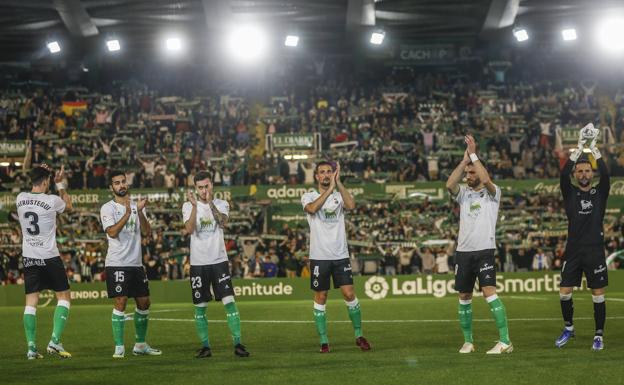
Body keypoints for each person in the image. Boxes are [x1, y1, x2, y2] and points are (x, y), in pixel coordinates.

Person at [446, 135, 512, 354]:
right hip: (463, 252)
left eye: (472, 172)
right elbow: (449, 184)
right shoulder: (463, 194)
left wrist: (474, 155)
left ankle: (505, 341)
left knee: (489, 292)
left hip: (484, 251)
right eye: (467, 173)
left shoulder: (493, 193)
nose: (468, 175)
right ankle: (468, 341)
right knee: (464, 296)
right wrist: (464, 161)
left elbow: (485, 179)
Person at [301, 161, 371, 353]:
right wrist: (329, 189)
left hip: (340, 255)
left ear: (334, 173)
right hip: (319, 256)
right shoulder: (309, 195)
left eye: (329, 172)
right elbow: (313, 209)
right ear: (316, 176)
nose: (325, 175)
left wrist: (337, 184)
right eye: (322, 172)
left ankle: (359, 335)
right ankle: (324, 340)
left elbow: (352, 205)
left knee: (349, 294)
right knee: (321, 296)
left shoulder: (339, 196)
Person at [182, 171, 250, 358]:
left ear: (212, 185)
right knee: (201, 306)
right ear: (196, 188)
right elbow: (189, 229)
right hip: (198, 263)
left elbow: (222, 222)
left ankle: (238, 344)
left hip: (219, 261)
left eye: (207, 186)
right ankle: (205, 346)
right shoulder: (188, 206)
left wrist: (209, 202)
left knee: (229, 302)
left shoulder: (221, 204)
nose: (204, 190)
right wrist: (196, 206)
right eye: (200, 187)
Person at [556, 124, 610, 351]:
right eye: (580, 171)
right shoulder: (570, 193)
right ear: (576, 175)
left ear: (592, 173)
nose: (584, 173)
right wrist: (578, 149)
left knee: (597, 294)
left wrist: (594, 149)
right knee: (564, 292)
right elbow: (562, 174)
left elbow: (607, 174)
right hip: (574, 250)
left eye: (588, 170)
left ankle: (599, 335)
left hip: (595, 250)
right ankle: (569, 327)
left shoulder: (601, 192)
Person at [100, 170, 161, 358]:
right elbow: (111, 232)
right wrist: (128, 213)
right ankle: (119, 346)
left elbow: (147, 231)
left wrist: (140, 212)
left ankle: (140, 345)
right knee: (121, 301)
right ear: (112, 188)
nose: (121, 185)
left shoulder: (136, 205)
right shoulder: (107, 208)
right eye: (116, 183)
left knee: (144, 302)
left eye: (123, 182)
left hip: (136, 263)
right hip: (117, 262)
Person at [17, 164, 73, 359]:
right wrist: (60, 185)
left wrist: (42, 170)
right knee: (64, 298)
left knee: (31, 303)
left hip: (30, 257)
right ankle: (54, 341)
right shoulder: (52, 200)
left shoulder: (20, 199)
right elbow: (70, 206)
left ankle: (31, 347)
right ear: (45, 181)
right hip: (49, 256)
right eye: (48, 181)